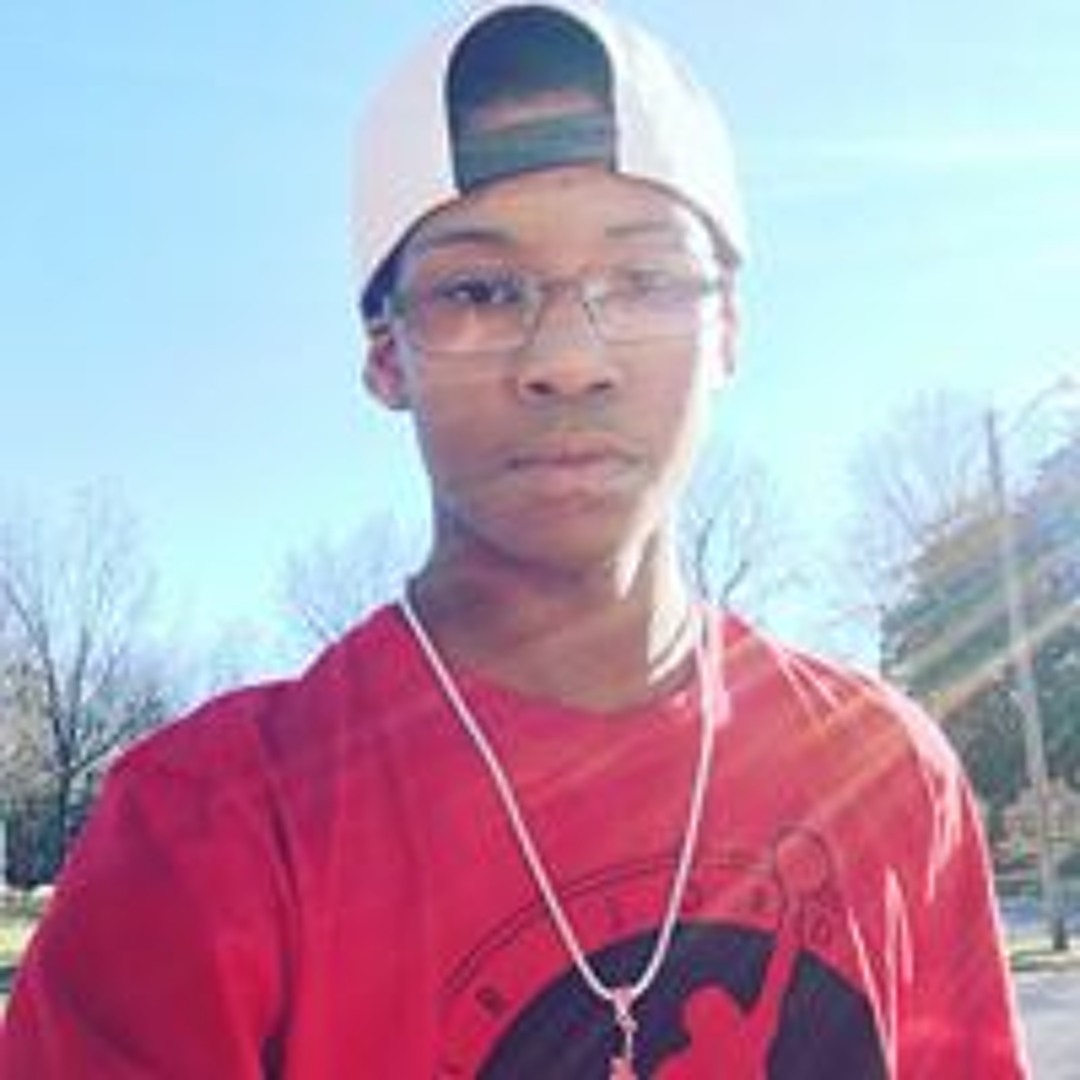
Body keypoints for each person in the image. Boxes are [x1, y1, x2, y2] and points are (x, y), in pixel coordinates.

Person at [0, 1, 1029, 1076]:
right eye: (481, 291)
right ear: (386, 352)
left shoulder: (886, 777)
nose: (568, 359)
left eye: (643, 280)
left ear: (726, 327)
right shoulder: (205, 833)